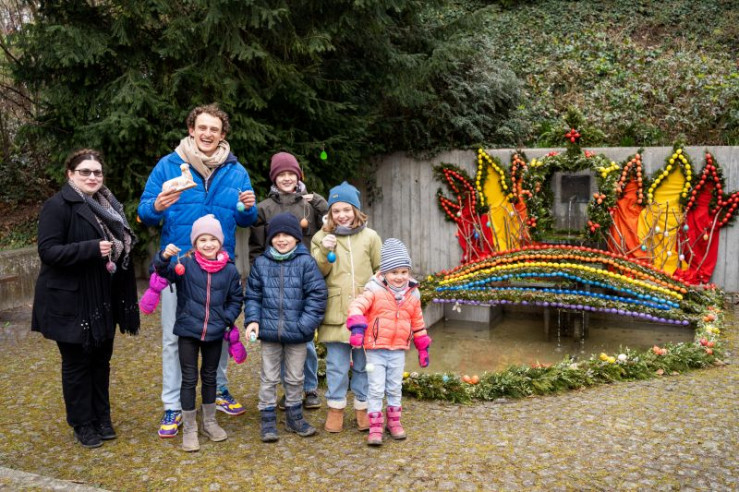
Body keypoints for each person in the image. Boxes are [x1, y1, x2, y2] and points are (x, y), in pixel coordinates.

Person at [138, 104, 257, 438]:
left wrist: (248, 208)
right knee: (174, 338)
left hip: (219, 268)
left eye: (214, 129)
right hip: (179, 267)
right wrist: (157, 206)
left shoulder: (236, 170)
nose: (207, 134)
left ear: (222, 134)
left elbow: (246, 218)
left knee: (219, 331)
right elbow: (144, 212)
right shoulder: (168, 165)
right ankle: (173, 405)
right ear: (191, 129)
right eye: (202, 127)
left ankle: (218, 390)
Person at [32, 149, 140, 448]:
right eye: (85, 172)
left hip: (103, 298)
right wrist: (90, 248)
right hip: (71, 301)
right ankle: (82, 423)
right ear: (70, 174)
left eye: (97, 172)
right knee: (77, 363)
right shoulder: (58, 206)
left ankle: (102, 417)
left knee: (101, 361)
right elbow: (48, 251)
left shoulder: (108, 205)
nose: (92, 177)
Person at [153, 214, 244, 452]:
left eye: (212, 239)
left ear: (220, 242)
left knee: (210, 377)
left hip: (214, 332)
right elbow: (162, 272)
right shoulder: (184, 265)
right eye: (202, 240)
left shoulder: (229, 270)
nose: (208, 244)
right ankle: (190, 427)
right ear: (194, 243)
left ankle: (209, 422)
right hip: (188, 332)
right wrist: (164, 257)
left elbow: (236, 299)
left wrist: (225, 319)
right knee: (189, 378)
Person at [248, 152, 328, 410]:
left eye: (290, 174)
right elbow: (256, 246)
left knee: (305, 339)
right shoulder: (264, 208)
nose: (286, 178)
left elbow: (331, 223)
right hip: (273, 279)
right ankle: (289, 389)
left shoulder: (309, 205)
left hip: (303, 277)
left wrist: (319, 202)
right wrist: (259, 275)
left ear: (298, 176)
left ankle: (310, 387)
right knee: (279, 336)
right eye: (281, 174)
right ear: (274, 178)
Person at [245, 213, 327, 442]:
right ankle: (268, 419)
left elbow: (317, 295)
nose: (281, 239)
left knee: (294, 377)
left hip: (298, 333)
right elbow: (253, 296)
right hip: (269, 333)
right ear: (270, 238)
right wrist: (253, 320)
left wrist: (305, 325)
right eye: (276, 235)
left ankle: (294, 417)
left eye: (287, 235)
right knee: (269, 377)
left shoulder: (306, 263)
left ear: (297, 238)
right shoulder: (261, 263)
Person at [311, 182, 381, 433]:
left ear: (355, 210)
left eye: (347, 209)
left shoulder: (370, 237)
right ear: (330, 213)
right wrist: (324, 251)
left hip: (365, 313)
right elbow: (317, 273)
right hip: (335, 312)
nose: (342, 215)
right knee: (337, 365)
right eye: (336, 210)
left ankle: (363, 407)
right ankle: (336, 408)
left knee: (363, 364)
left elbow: (380, 270)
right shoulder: (320, 238)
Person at [346, 238, 431, 446]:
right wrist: (357, 327)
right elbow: (356, 306)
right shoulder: (374, 290)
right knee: (376, 388)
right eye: (394, 272)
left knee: (394, 387)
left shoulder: (413, 294)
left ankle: (394, 422)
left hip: (398, 350)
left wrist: (422, 347)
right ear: (384, 273)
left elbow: (418, 321)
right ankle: (375, 426)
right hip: (376, 350)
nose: (399, 277)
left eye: (404, 272)